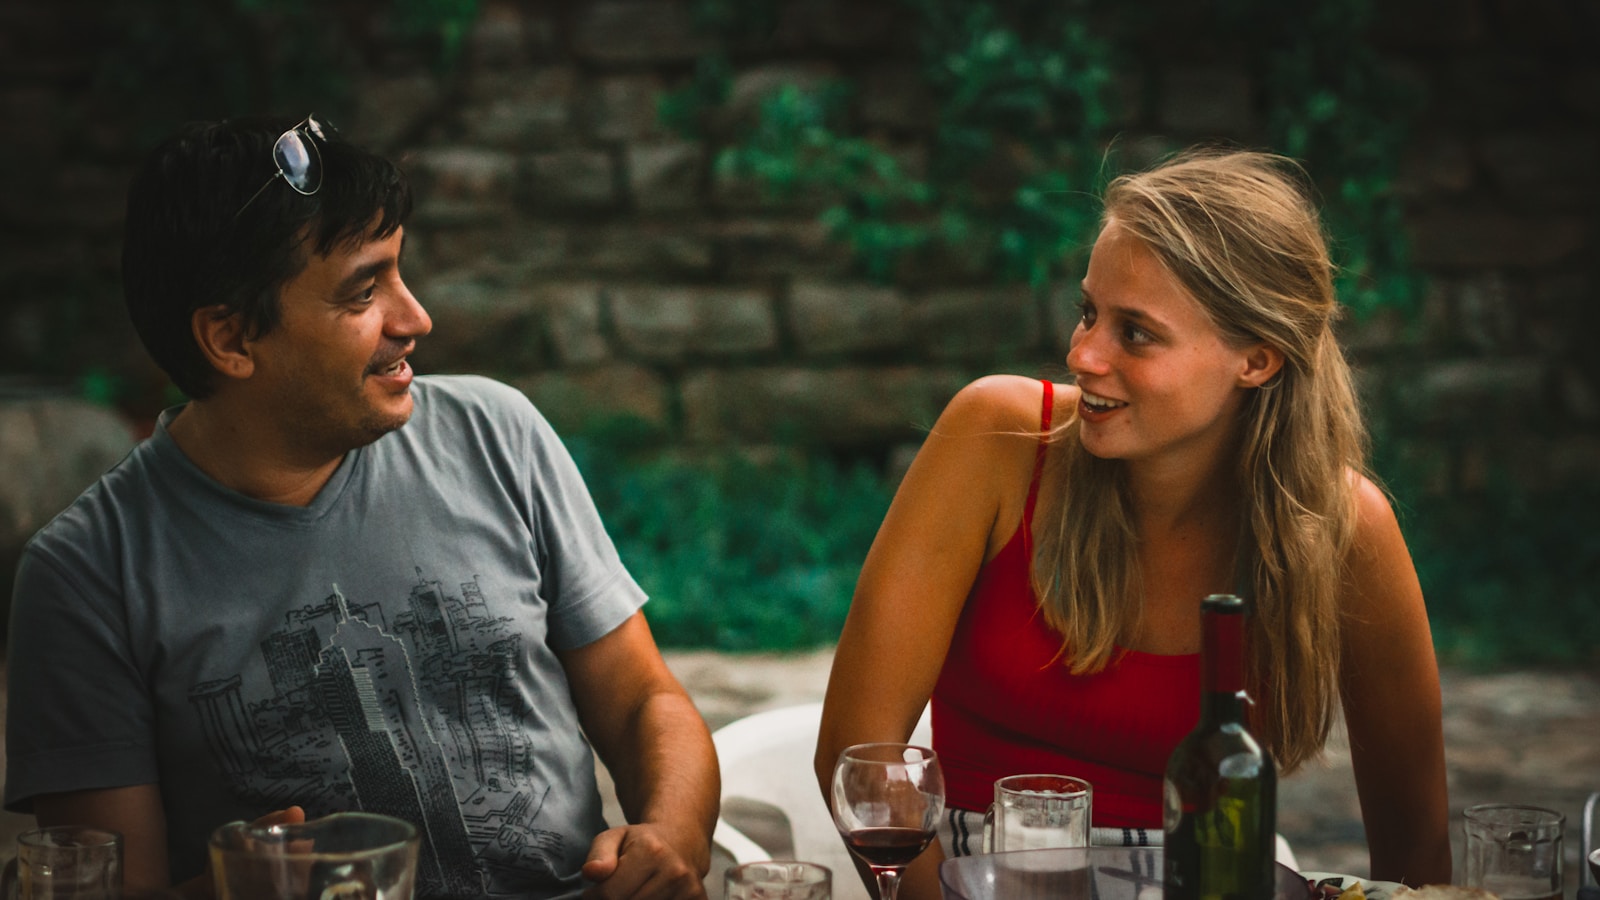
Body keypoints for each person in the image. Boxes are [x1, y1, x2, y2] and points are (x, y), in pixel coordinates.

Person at [4, 114, 718, 900]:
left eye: (400, 275)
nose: (416, 320)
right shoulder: (85, 578)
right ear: (231, 339)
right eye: (364, 292)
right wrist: (244, 884)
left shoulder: (495, 432)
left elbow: (645, 698)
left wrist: (674, 834)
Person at [815, 149, 1452, 898]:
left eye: (1136, 333)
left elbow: (1416, 849)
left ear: (1257, 359)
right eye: (1089, 312)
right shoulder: (996, 440)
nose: (1082, 353)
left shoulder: (1344, 530)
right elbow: (860, 755)